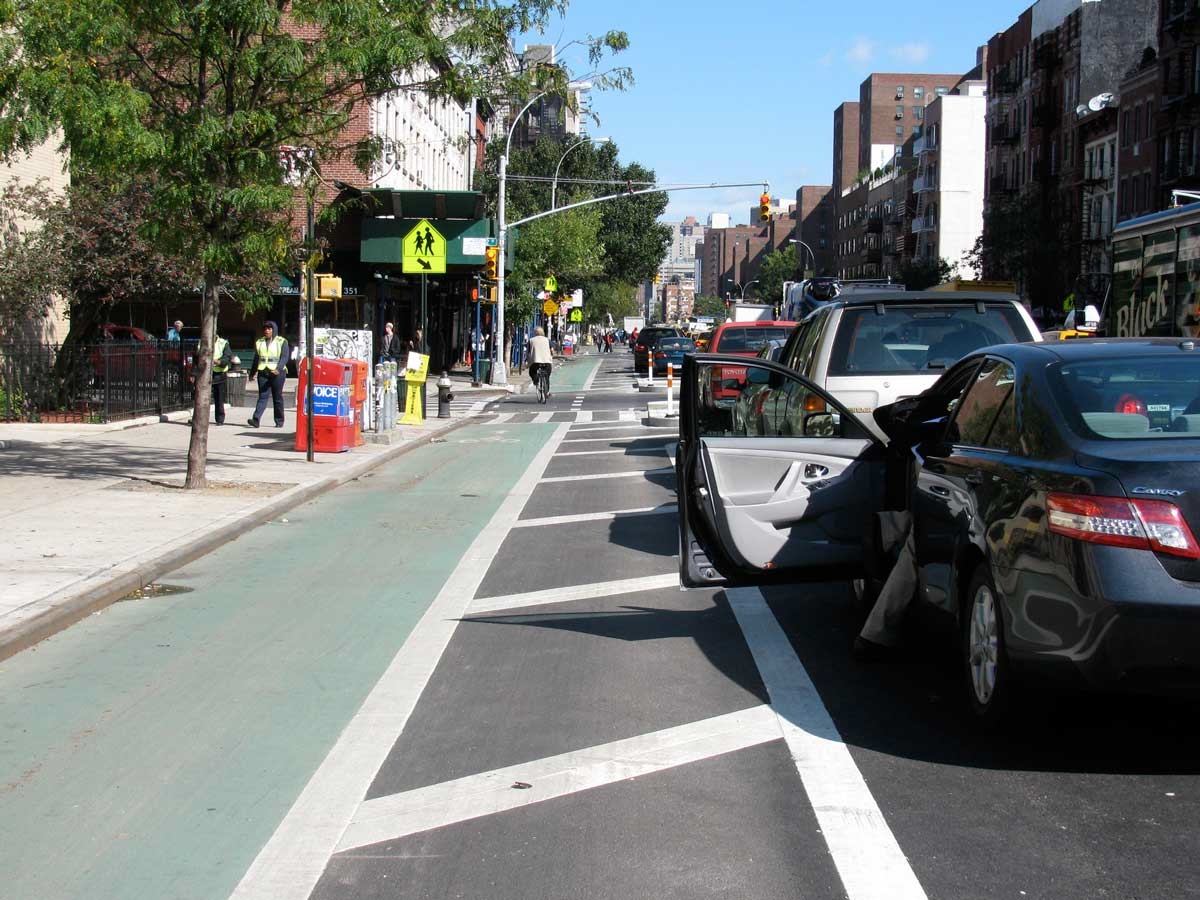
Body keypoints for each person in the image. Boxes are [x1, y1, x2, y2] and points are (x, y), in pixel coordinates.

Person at [246, 320, 289, 428]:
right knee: (262, 396)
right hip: (263, 372)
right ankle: (256, 419)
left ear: (274, 330)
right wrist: (252, 373)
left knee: (277, 397)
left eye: (269, 329)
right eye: (265, 329)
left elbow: (284, 357)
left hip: (277, 373)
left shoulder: (281, 341)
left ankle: (279, 421)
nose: (267, 331)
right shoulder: (260, 342)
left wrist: (278, 369)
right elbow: (256, 359)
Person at [528, 326, 553, 396]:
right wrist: (551, 356)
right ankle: (547, 392)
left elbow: (528, 352)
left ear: (535, 333)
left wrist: (528, 363)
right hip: (546, 362)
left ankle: (535, 379)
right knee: (547, 375)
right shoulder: (547, 340)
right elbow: (552, 350)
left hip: (535, 361)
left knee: (531, 372)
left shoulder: (531, 340)